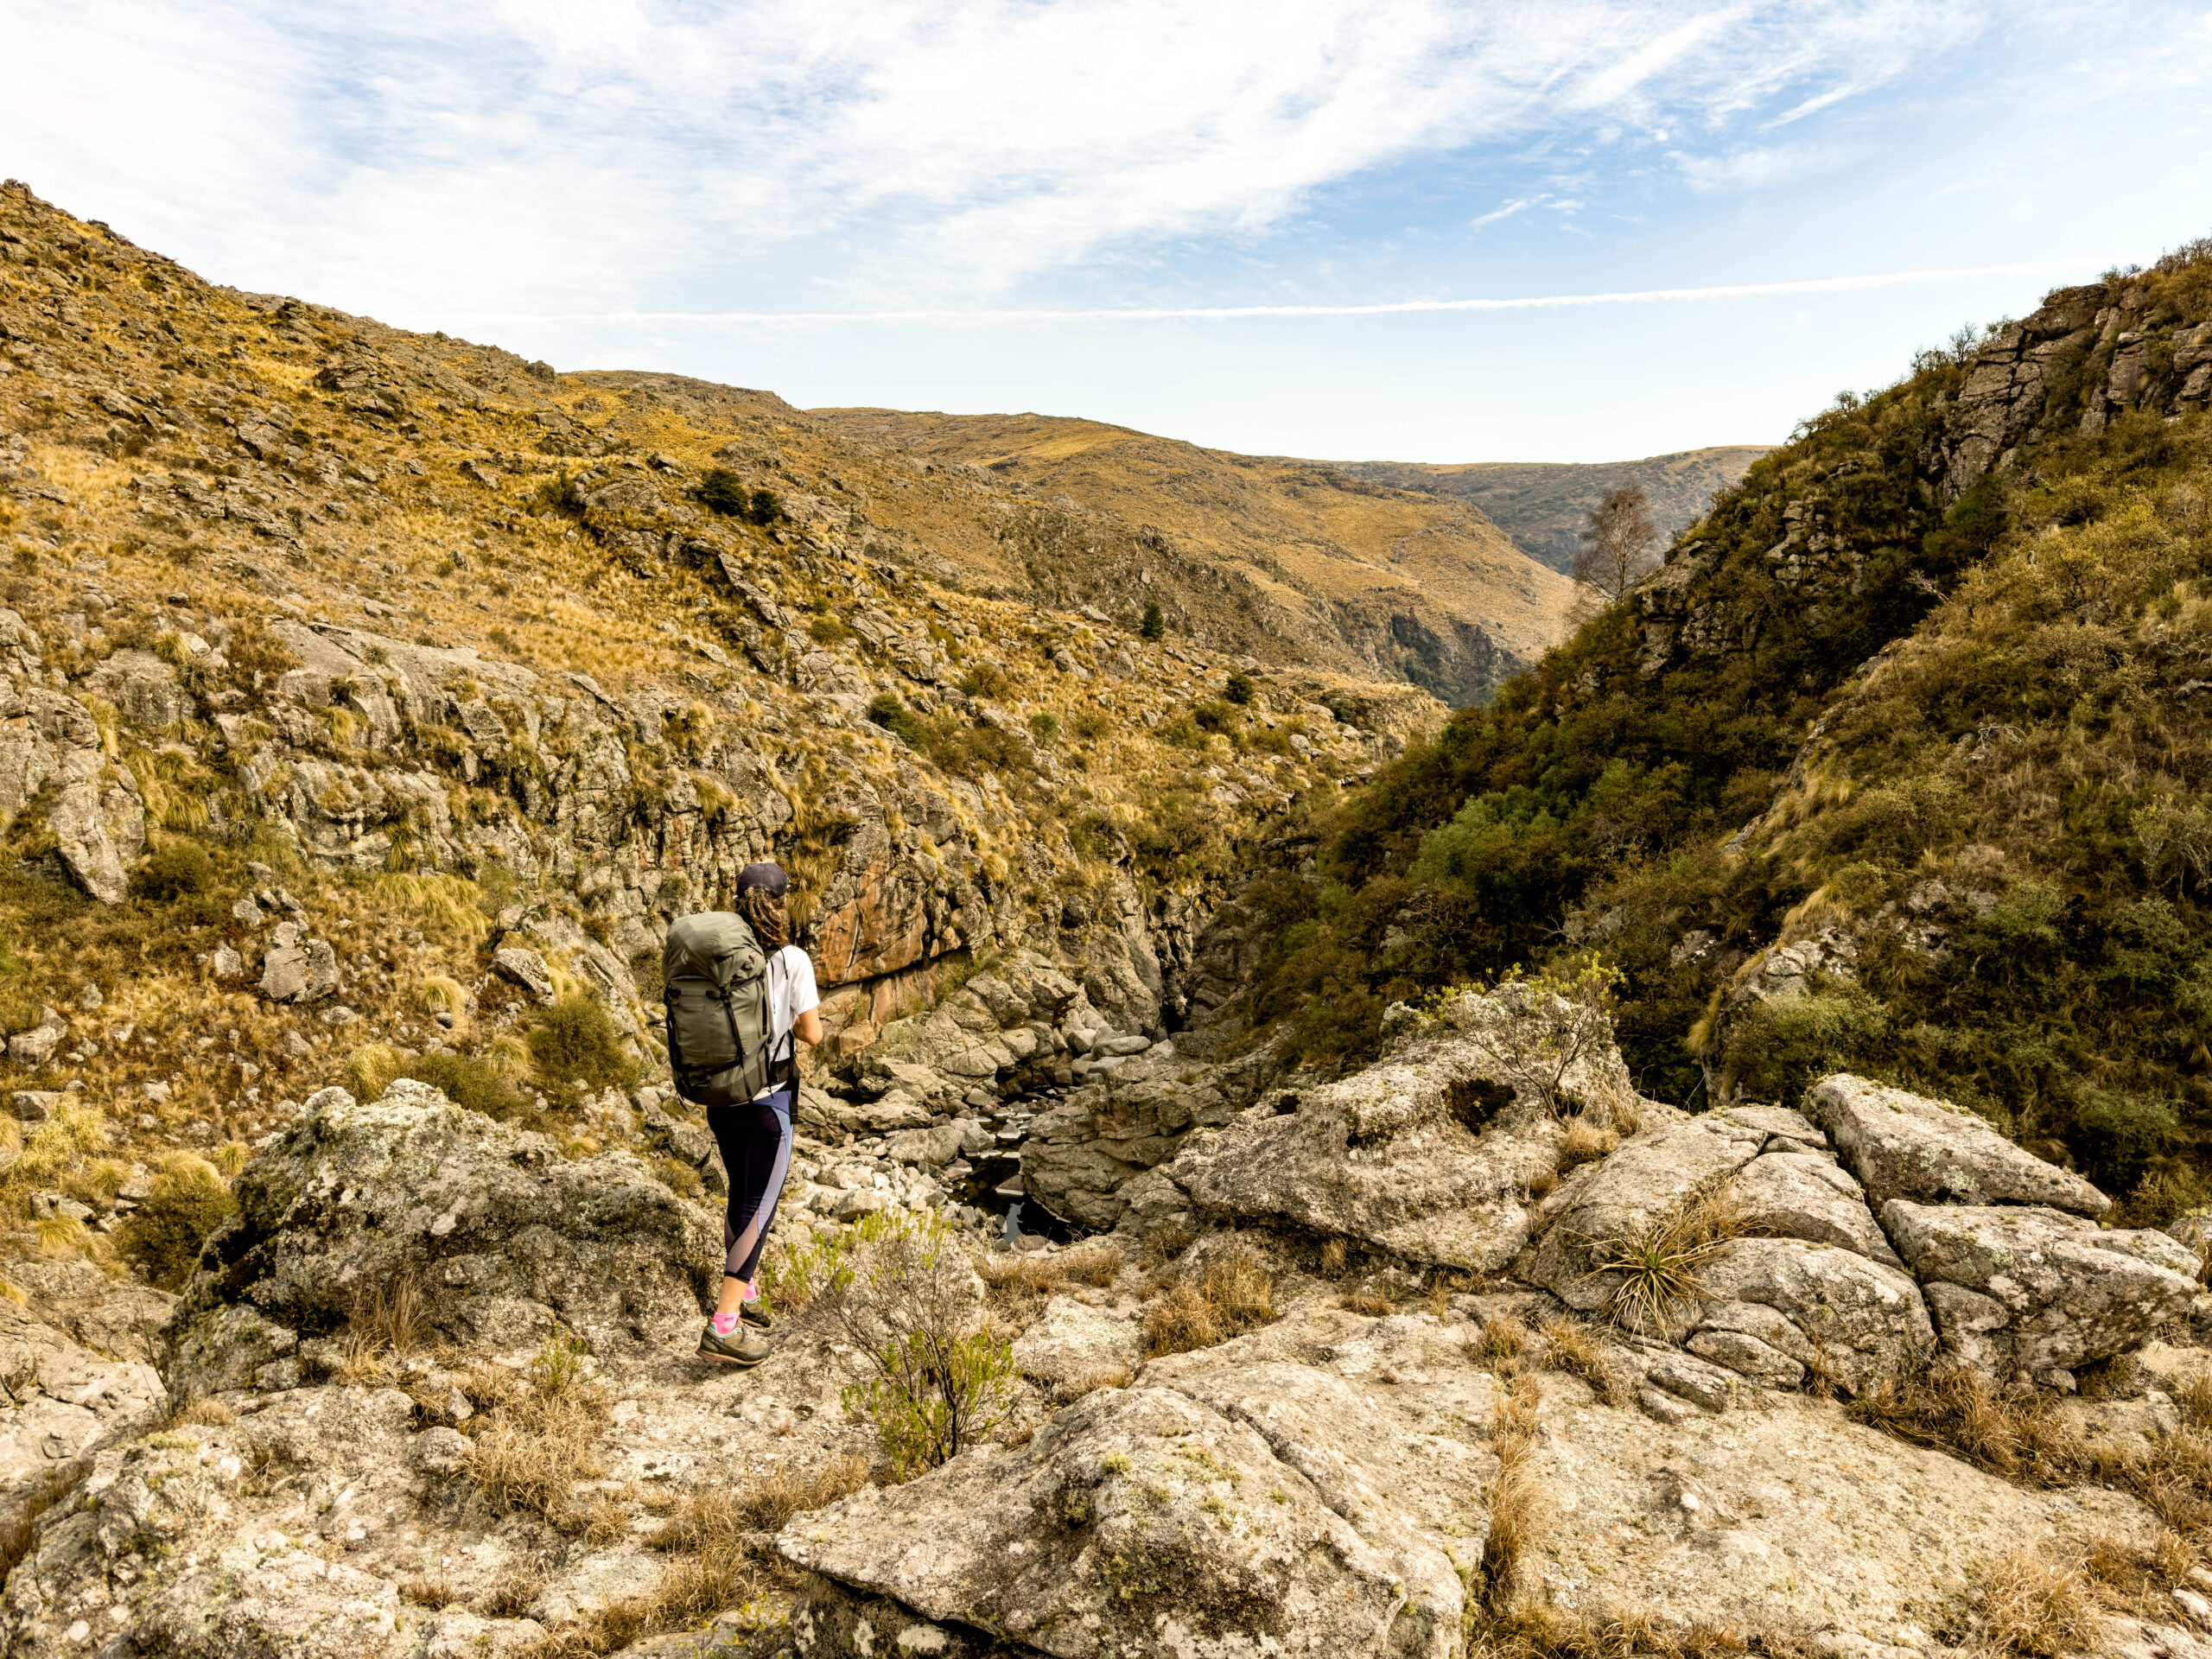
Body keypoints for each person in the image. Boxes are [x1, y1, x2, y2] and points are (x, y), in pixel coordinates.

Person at [697, 861, 821, 1366]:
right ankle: (724, 1327)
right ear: (781, 903)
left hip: (721, 1102)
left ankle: (743, 1294)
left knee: (740, 1191)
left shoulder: (723, 956)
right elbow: (812, 1034)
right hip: (770, 1102)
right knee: (761, 1207)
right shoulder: (792, 959)